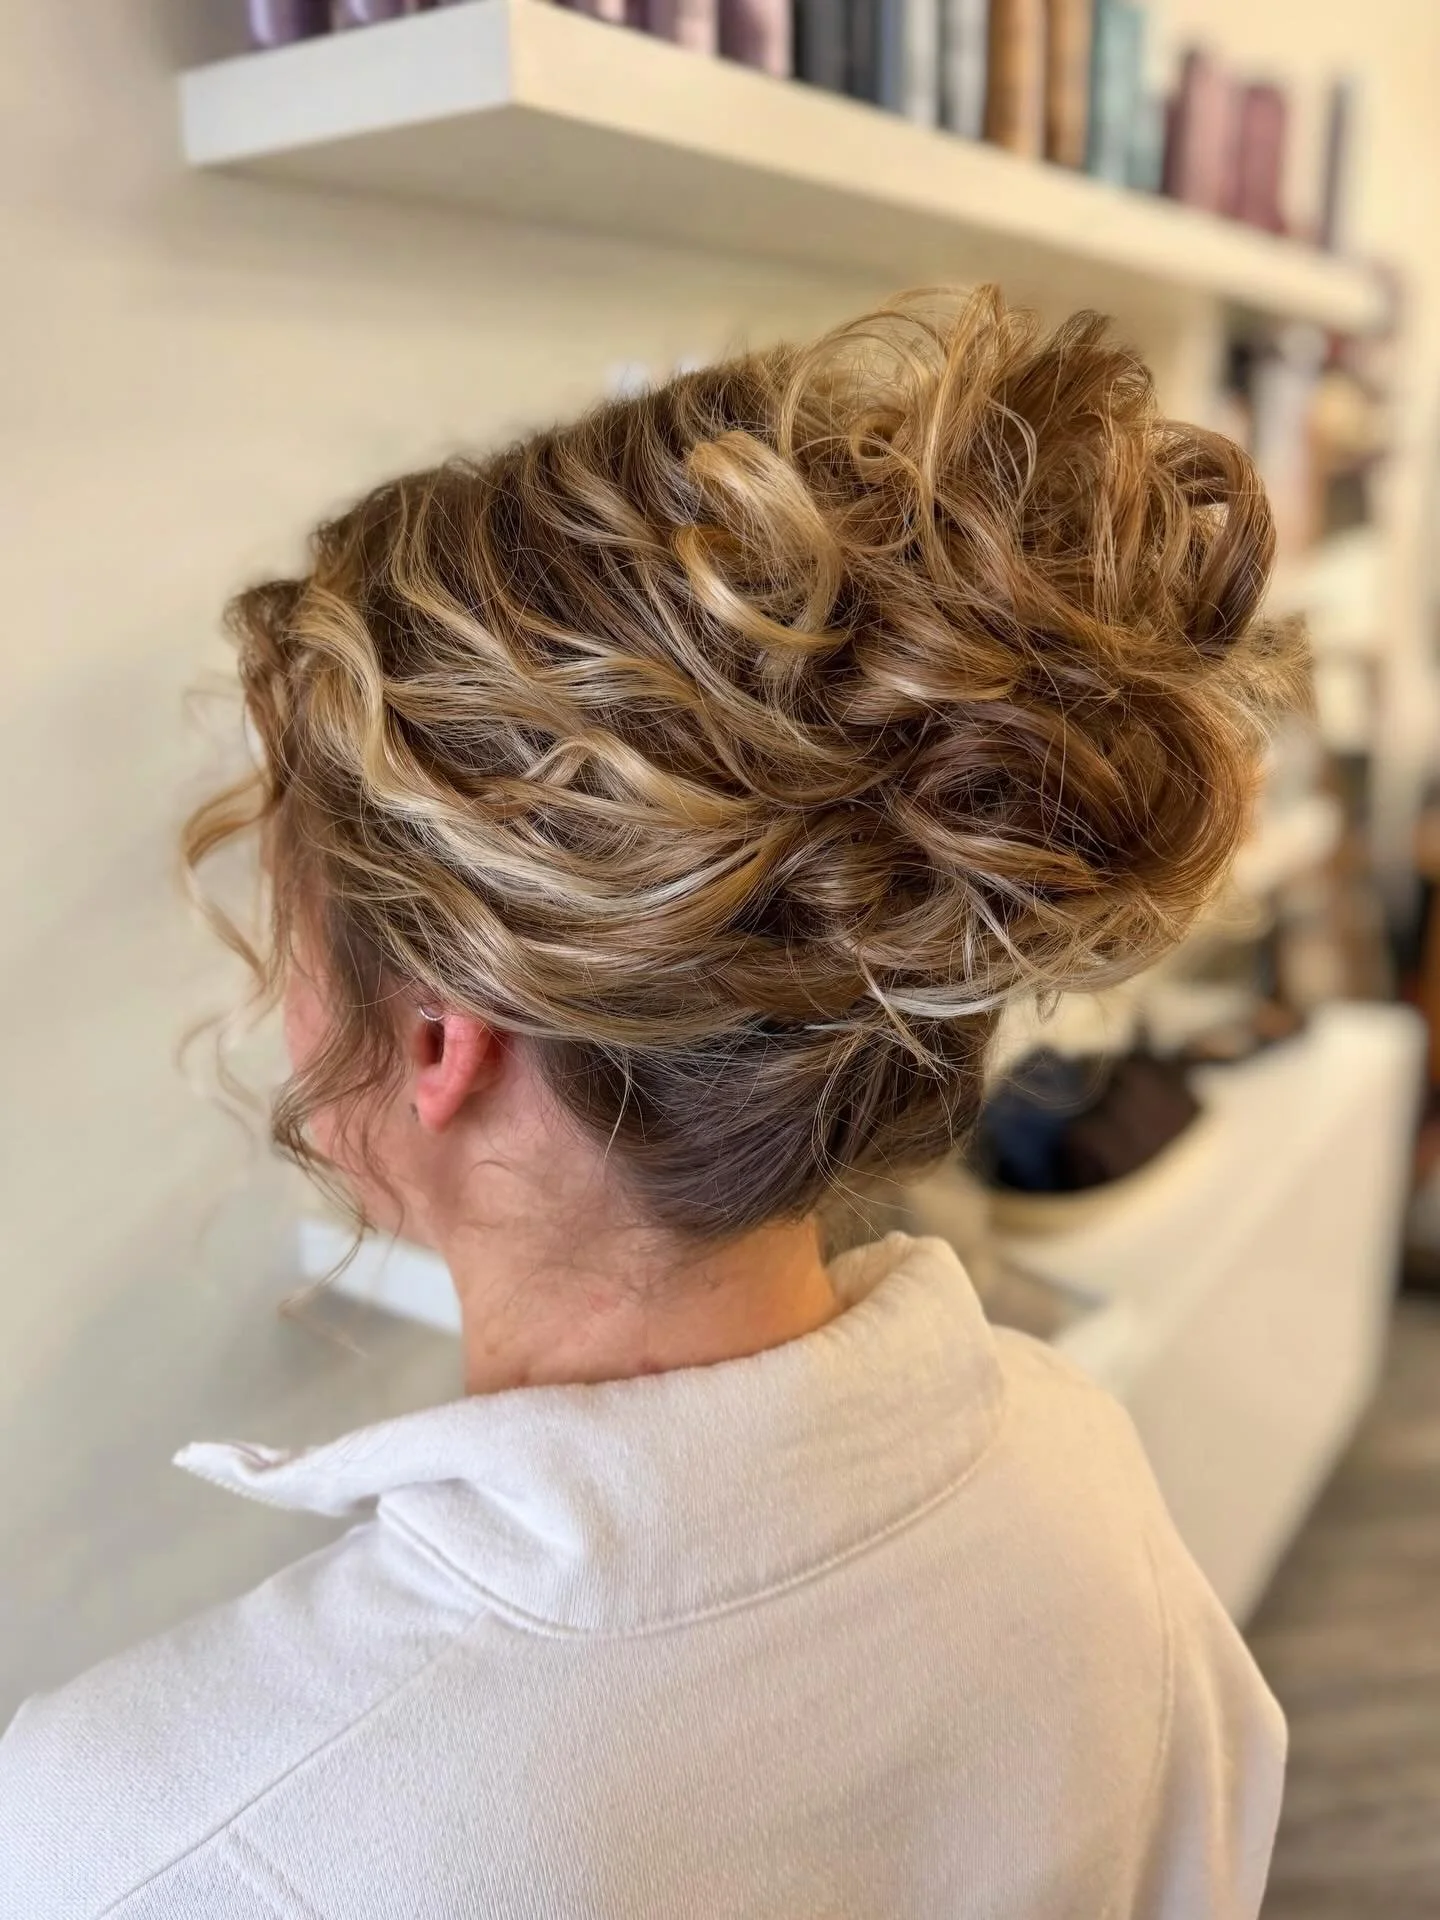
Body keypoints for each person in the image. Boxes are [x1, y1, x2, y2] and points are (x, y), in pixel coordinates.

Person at [0, 288, 1298, 1917]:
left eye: (296, 919)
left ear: (433, 1043)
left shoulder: (135, 1833)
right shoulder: (1079, 1483)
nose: (278, 995)